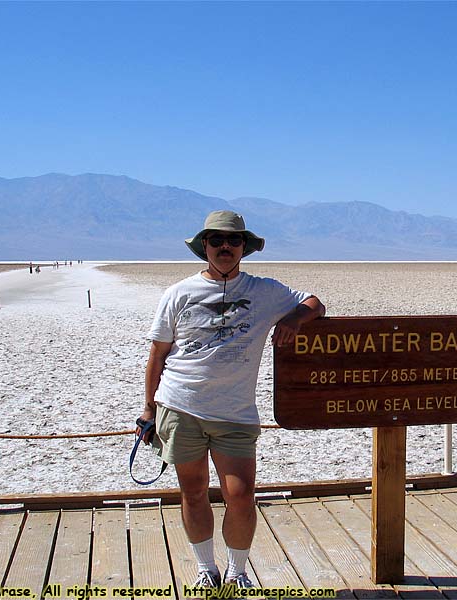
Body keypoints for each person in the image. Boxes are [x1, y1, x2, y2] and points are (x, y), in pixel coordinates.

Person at [137, 210, 325, 591]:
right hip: (179, 405)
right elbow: (158, 354)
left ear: (244, 248)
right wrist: (148, 408)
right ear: (204, 246)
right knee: (192, 491)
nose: (225, 247)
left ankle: (237, 572)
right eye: (217, 240)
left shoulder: (264, 292)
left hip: (235, 413)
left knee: (240, 496)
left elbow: (314, 303)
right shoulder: (178, 294)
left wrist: (293, 320)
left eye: (233, 240)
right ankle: (207, 569)